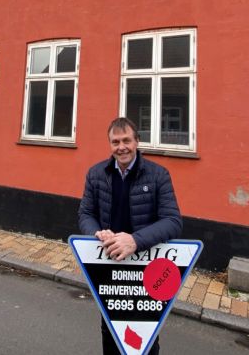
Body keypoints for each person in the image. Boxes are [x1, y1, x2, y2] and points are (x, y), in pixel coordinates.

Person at [79, 117, 182, 354]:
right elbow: (85, 213)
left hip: (145, 268)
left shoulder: (158, 175)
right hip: (109, 265)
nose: (121, 147)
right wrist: (95, 232)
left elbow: (173, 221)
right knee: (110, 330)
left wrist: (136, 240)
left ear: (137, 141)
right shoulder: (96, 174)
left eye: (126, 140)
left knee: (145, 332)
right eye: (115, 142)